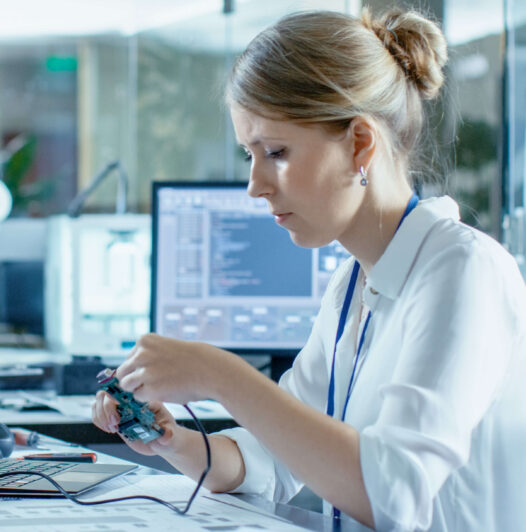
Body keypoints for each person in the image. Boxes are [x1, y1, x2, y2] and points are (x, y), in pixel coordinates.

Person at [92, 8, 526, 532]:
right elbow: (275, 460)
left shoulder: (464, 272)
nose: (255, 184)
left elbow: (396, 494)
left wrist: (219, 375)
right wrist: (172, 441)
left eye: (275, 151)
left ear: (361, 144)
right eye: (249, 155)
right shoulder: (353, 284)